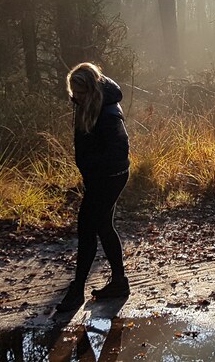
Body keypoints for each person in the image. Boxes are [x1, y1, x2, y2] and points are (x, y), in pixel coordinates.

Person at [57, 62, 131, 312]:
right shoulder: (87, 103)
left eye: (80, 93)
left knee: (87, 228)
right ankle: (119, 282)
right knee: (103, 226)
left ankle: (77, 290)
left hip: (110, 178)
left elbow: (119, 151)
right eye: (73, 92)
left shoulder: (108, 112)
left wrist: (93, 168)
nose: (75, 97)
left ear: (91, 90)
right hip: (99, 178)